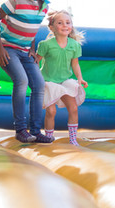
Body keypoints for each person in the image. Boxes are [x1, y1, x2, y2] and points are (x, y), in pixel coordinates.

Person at [0, 0, 53, 143]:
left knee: (39, 84)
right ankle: (20, 129)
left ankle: (35, 131)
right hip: (8, 48)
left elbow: (32, 30)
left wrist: (33, 49)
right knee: (21, 80)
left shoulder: (44, 6)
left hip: (25, 51)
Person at [36, 10, 88, 146]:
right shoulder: (45, 45)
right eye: (60, 23)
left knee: (74, 108)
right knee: (51, 111)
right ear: (52, 28)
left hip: (65, 81)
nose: (65, 25)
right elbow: (36, 62)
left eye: (68, 22)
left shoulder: (74, 45)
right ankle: (48, 137)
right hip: (48, 81)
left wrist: (80, 78)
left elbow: (75, 64)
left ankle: (72, 139)